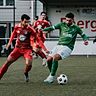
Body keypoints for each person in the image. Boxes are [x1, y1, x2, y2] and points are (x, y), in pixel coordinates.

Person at [42, 12, 89, 83]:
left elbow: (83, 35)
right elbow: (51, 28)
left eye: (69, 20)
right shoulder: (61, 24)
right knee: (48, 60)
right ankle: (51, 75)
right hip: (58, 45)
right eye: (66, 20)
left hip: (68, 47)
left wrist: (85, 40)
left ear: (73, 19)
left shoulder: (76, 28)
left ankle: (51, 77)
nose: (67, 22)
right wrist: (42, 30)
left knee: (56, 57)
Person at [0, 14, 36, 82]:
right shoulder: (17, 27)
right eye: (25, 22)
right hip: (18, 49)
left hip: (27, 49)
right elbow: (13, 34)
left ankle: (26, 72)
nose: (27, 23)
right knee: (7, 62)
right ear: (21, 21)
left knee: (29, 64)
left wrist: (34, 45)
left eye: (28, 22)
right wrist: (9, 43)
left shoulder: (30, 29)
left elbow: (35, 38)